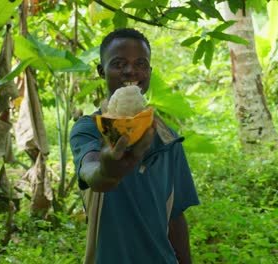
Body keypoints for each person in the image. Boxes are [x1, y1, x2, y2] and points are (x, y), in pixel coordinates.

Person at [69, 28, 199, 264]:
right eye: (118, 63)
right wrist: (107, 172)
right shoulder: (90, 128)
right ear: (101, 71)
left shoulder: (167, 138)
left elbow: (176, 216)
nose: (131, 70)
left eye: (141, 63)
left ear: (149, 71)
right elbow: (91, 171)